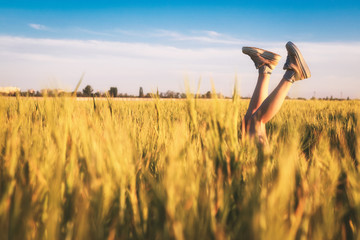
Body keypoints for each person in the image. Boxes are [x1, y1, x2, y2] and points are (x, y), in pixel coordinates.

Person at [241, 41, 311, 145]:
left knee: (248, 123)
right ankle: (291, 73)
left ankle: (266, 67)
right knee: (254, 124)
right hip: (258, 160)